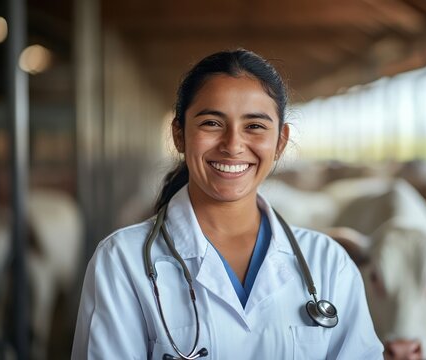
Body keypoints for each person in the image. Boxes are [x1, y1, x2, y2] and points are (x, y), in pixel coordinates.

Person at [71, 49, 383, 359]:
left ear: (280, 142)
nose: (233, 145)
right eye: (211, 123)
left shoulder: (328, 264)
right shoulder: (122, 262)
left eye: (255, 126)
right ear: (179, 134)